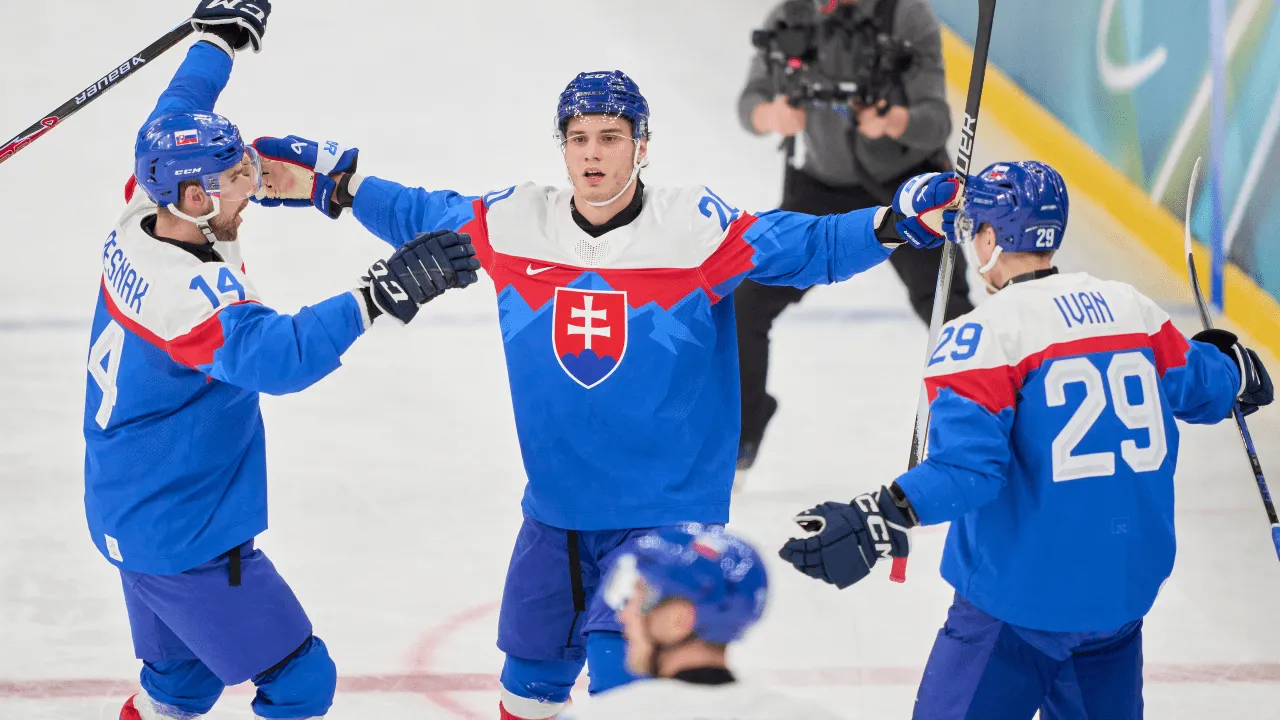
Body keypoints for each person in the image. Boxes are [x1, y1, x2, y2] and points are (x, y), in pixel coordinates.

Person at [254, 69, 961, 719]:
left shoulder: (695, 231)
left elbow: (807, 245)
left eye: (612, 138)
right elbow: (420, 215)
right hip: (556, 516)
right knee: (526, 689)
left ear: (642, 146)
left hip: (667, 523)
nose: (594, 154)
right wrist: (332, 185)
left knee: (637, 699)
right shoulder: (514, 222)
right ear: (562, 148)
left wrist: (893, 223)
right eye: (579, 138)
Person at [84, 5, 479, 719]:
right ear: (196, 196)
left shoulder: (148, 201)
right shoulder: (188, 296)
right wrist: (381, 292)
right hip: (185, 530)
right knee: (301, 684)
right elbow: (279, 357)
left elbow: (178, 106)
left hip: (131, 507)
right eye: (237, 177)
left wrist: (218, 39)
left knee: (182, 685)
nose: (256, 183)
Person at [778, 161, 1275, 719]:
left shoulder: (984, 336)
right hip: (1120, 591)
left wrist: (878, 514)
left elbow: (967, 472)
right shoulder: (1131, 310)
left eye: (974, 231)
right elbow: (1206, 388)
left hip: (1018, 605)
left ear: (991, 237)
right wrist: (1230, 363)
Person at [735, 0, 974, 469]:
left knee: (951, 313)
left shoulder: (906, 16)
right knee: (747, 303)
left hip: (907, 182)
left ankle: (976, 425)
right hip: (820, 185)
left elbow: (937, 120)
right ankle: (745, 428)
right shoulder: (791, 14)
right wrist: (771, 114)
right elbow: (750, 101)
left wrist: (895, 122)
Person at [559, 524, 841, 720]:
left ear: (679, 620)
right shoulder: (808, 716)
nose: (624, 615)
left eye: (639, 599)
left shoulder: (601, 716)